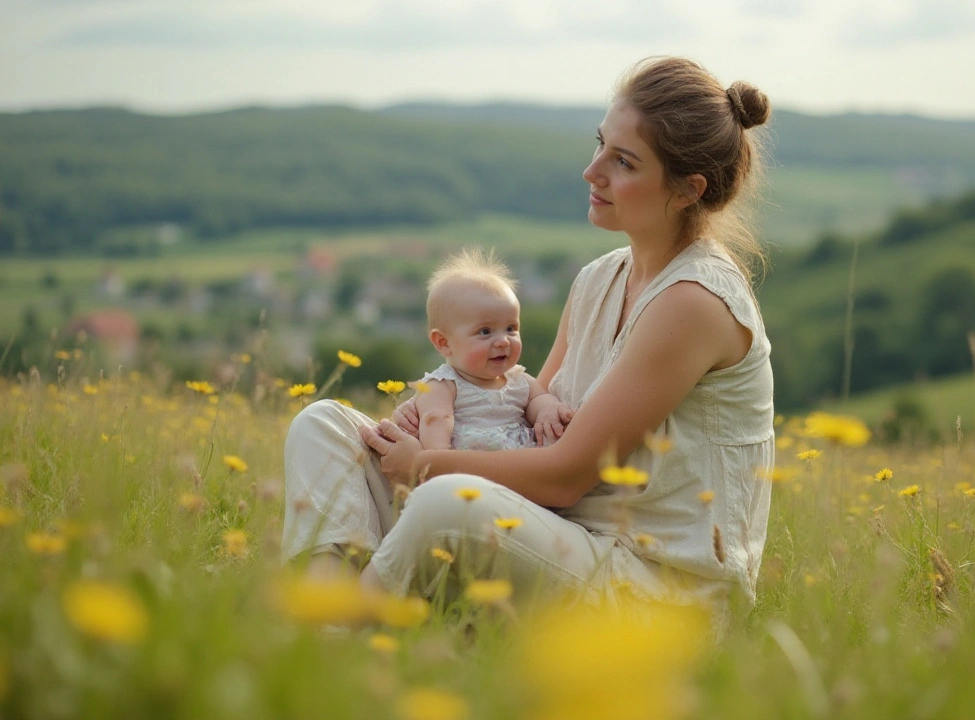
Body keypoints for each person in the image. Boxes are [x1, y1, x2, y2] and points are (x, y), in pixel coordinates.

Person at [283, 55, 775, 627]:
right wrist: (436, 418)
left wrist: (427, 465)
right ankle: (328, 621)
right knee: (324, 426)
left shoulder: (694, 301)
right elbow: (521, 417)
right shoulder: (600, 278)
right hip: (559, 535)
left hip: (649, 590)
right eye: (600, 145)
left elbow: (565, 474)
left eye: (623, 162)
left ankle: (333, 641)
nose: (592, 172)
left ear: (688, 189)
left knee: (446, 503)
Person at [414, 247, 573, 451]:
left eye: (510, 329)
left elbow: (539, 400)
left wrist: (547, 411)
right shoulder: (444, 385)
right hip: (467, 472)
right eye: (485, 331)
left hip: (523, 472)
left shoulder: (519, 380)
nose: (503, 341)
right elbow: (435, 419)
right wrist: (439, 461)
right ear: (443, 343)